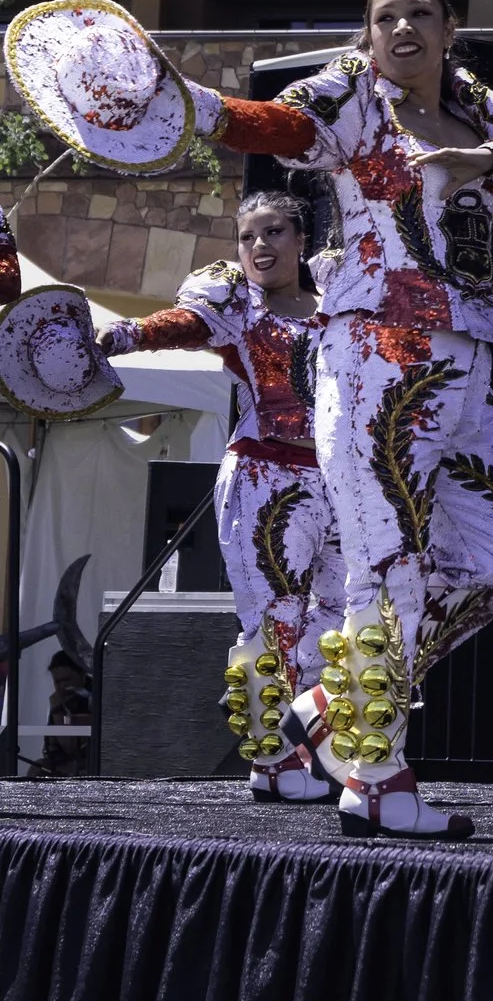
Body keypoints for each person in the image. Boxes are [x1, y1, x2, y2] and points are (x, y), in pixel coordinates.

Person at [171, 0, 493, 839]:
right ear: (368, 35)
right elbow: (278, 122)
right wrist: (196, 106)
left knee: (489, 567)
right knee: (386, 568)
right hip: (374, 355)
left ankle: (331, 704)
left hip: (468, 359)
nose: (402, 29)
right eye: (385, 16)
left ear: (450, 28)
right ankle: (377, 780)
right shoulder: (356, 100)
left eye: (419, 14)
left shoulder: (478, 108)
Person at [97, 191, 342, 802]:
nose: (260, 245)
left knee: (344, 620)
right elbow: (183, 326)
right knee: (274, 618)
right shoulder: (237, 308)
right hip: (265, 478)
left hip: (343, 483)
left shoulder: (342, 306)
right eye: (248, 236)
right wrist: (124, 335)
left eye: (275, 232)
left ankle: (304, 735)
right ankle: (270, 762)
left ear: (301, 240)